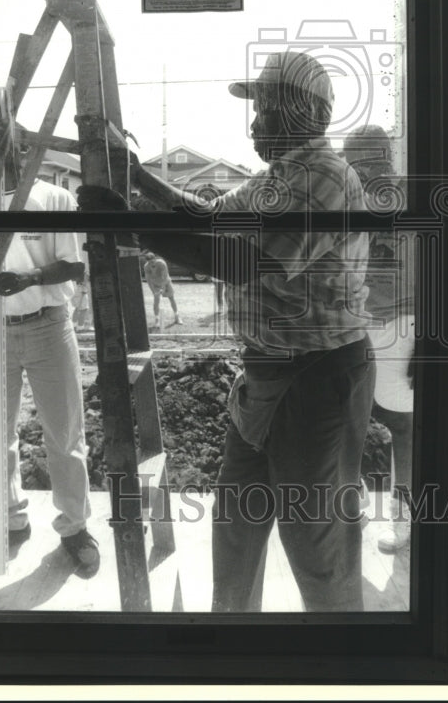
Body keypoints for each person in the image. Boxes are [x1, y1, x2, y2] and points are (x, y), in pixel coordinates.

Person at [132, 50, 374, 611]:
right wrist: (137, 179)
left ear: (299, 111)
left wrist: (138, 226)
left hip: (320, 378)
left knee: (317, 540)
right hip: (268, 371)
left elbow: (244, 261)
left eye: (264, 109)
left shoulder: (326, 177)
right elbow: (208, 216)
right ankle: (233, 647)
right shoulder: (280, 177)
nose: (254, 123)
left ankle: (344, 663)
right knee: (237, 522)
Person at [0, 156, 100, 575]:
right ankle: (11, 518)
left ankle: (74, 528)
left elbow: (74, 265)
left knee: (65, 434)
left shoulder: (52, 196)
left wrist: (29, 278)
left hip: (47, 326)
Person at [344, 125, 414, 553]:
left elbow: (442, 266)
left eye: (374, 160)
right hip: (350, 322)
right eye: (357, 162)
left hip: (402, 325)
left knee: (404, 427)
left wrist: (432, 337)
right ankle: (351, 506)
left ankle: (402, 518)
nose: (368, 171)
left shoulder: (412, 198)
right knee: (344, 421)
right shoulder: (341, 198)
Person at [142, 251, 184, 329]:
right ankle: (157, 320)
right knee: (156, 301)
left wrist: (163, 289)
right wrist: (154, 291)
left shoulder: (162, 263)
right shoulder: (146, 267)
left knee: (171, 298)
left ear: (155, 258)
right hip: (156, 284)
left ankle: (177, 316)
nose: (152, 264)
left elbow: (164, 277)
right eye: (149, 262)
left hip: (166, 283)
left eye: (152, 261)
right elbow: (148, 280)